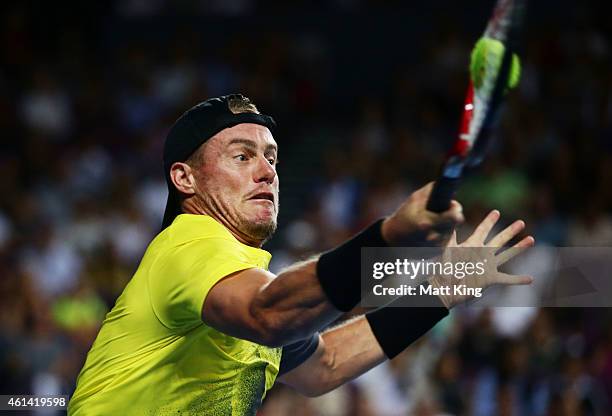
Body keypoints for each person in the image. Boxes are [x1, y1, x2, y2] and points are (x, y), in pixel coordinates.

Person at [68, 94, 534, 415]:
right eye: (241, 156)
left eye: (271, 158)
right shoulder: (190, 242)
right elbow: (269, 312)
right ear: (185, 179)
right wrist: (389, 235)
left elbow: (324, 365)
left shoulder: (237, 276)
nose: (266, 172)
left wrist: (440, 294)